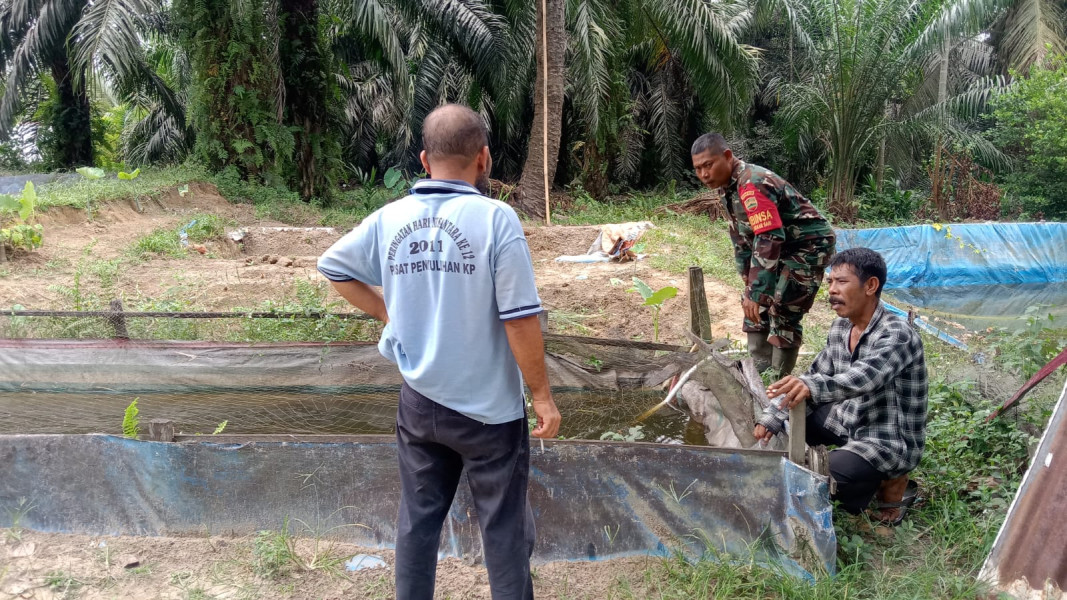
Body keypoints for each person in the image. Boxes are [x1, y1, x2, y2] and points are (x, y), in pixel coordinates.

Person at [317, 103, 562, 599]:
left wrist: (389, 311)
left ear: (425, 161)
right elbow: (519, 318)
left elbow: (333, 266)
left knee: (419, 524)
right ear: (485, 159)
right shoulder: (497, 220)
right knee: (504, 529)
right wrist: (541, 395)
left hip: (420, 403)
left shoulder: (390, 219)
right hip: (490, 414)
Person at [753, 248, 928, 525]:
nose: (832, 290)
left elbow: (864, 377)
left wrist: (810, 386)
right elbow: (816, 374)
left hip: (886, 439)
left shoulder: (897, 334)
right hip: (850, 421)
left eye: (842, 282)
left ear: (870, 286)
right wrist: (773, 415)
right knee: (791, 422)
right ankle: (860, 476)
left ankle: (891, 483)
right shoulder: (840, 329)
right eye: (830, 282)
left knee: (821, 482)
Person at [691, 133, 835, 376]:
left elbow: (769, 237)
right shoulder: (727, 187)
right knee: (754, 305)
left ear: (727, 157)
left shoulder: (752, 183)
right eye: (698, 168)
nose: (704, 174)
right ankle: (759, 374)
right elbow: (742, 236)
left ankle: (777, 382)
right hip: (779, 246)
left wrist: (756, 292)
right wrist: (750, 282)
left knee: (783, 308)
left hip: (807, 246)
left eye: (708, 165)